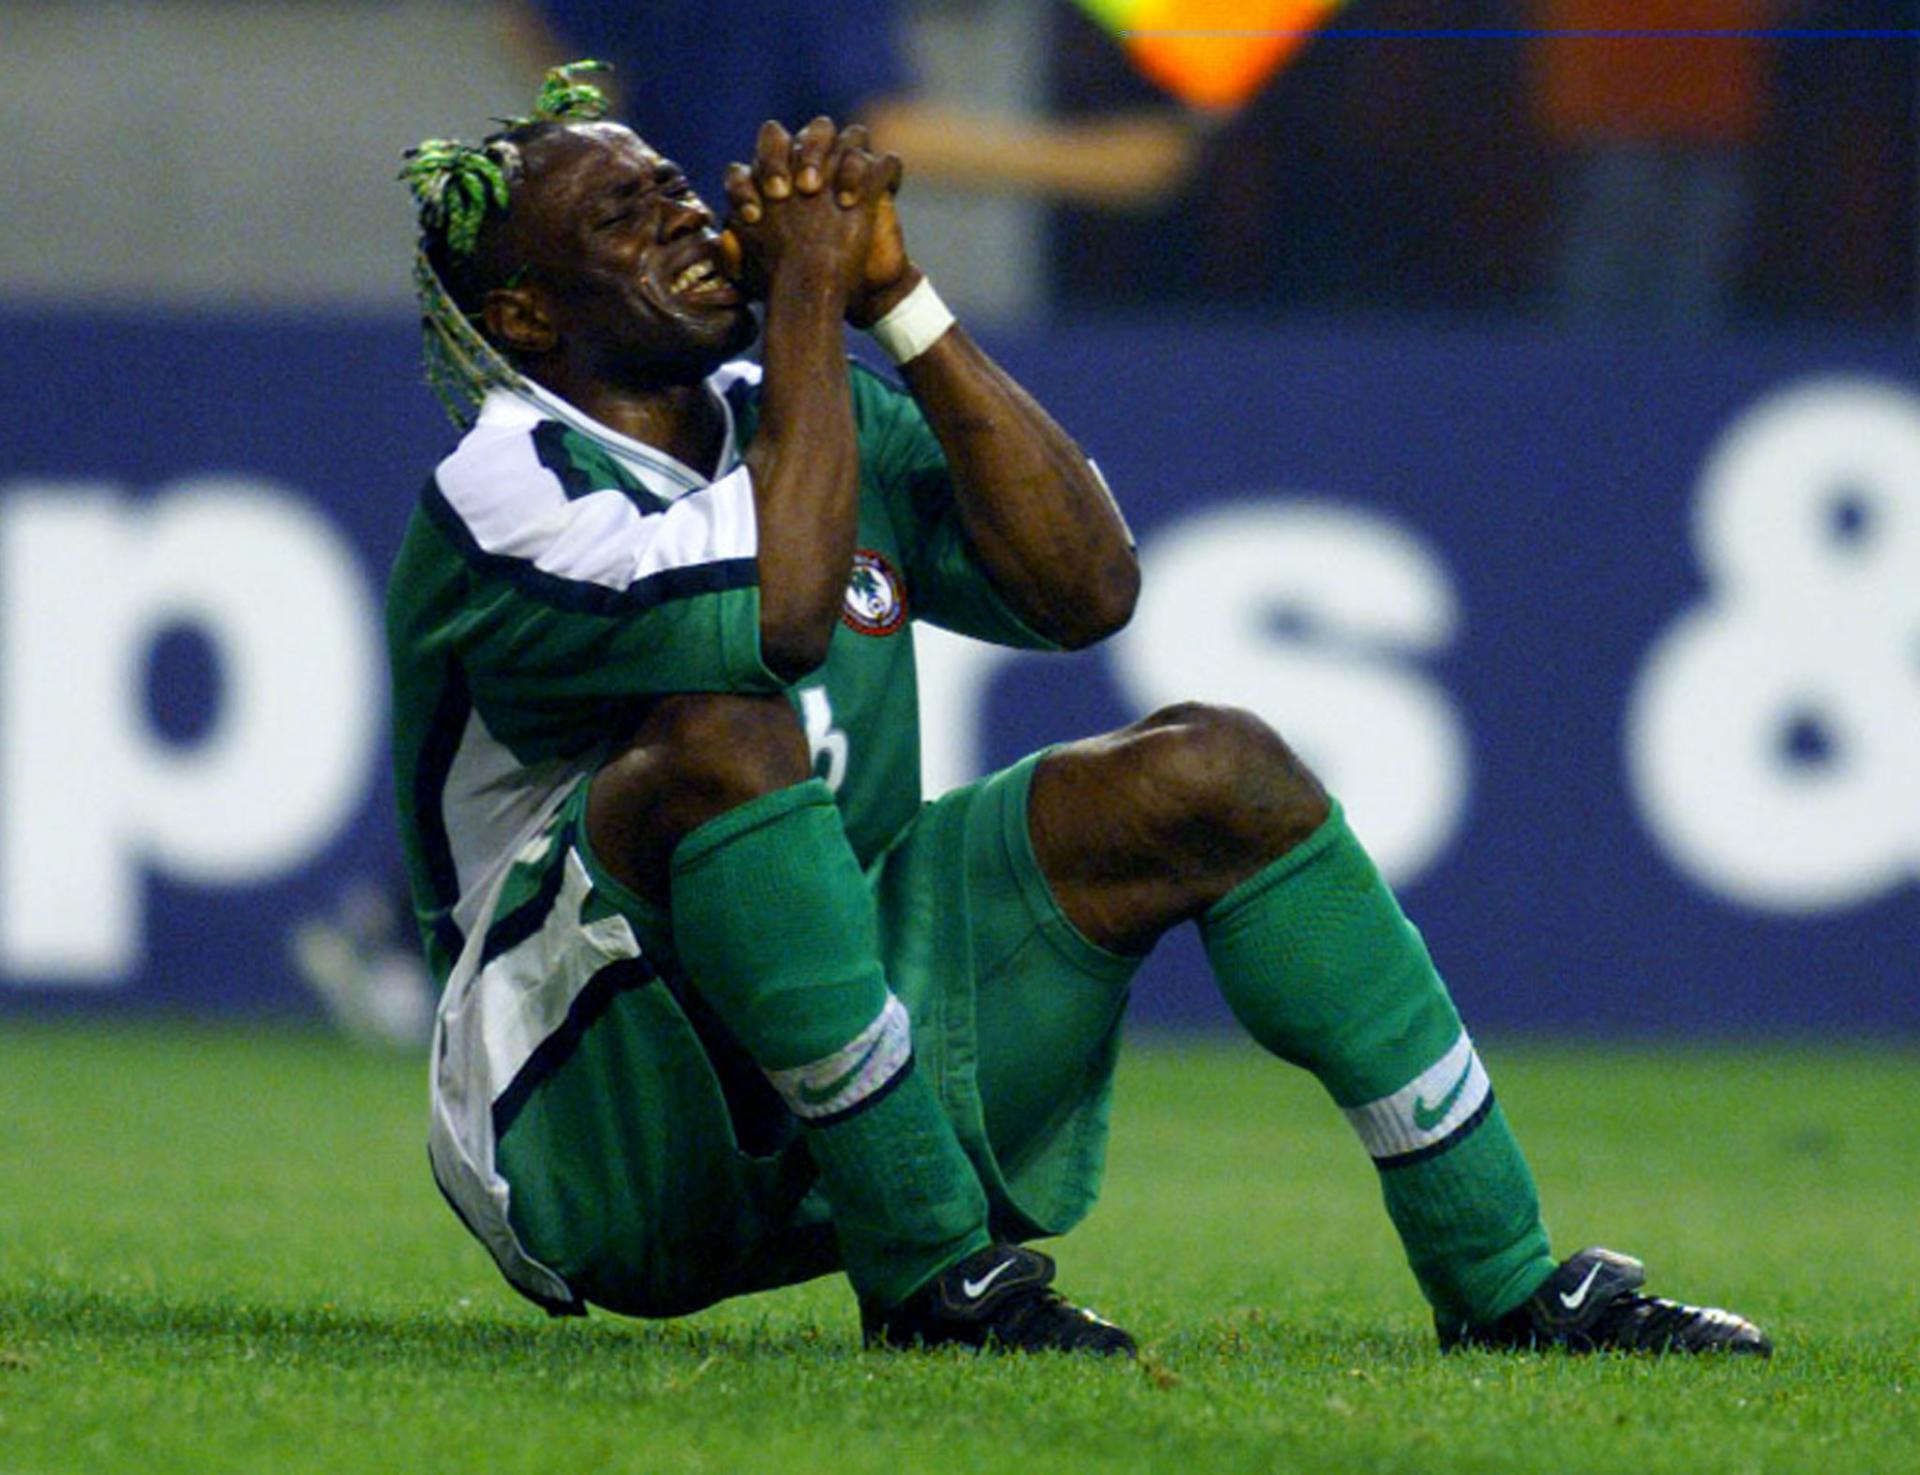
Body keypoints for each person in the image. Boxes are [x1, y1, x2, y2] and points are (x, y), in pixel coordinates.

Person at [392, 63, 1770, 1356]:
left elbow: (1089, 588)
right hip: (601, 1123)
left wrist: (897, 301)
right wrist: (808, 291)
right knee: (726, 734)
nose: (688, 220)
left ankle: (1506, 1282)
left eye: (677, 191)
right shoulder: (509, 482)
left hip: (845, 1049)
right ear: (525, 317)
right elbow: (778, 620)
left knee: (1220, 771)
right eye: (623, 217)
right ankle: (932, 1273)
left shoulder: (807, 407)